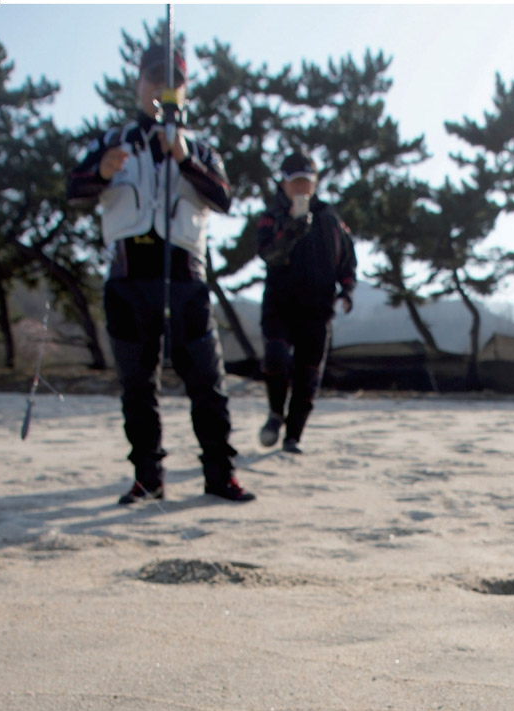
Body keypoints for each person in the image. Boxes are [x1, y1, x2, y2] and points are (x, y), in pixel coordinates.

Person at [67, 43, 255, 504]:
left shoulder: (200, 147)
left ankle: (220, 474)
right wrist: (102, 170)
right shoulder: (112, 141)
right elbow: (74, 189)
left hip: (185, 276)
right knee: (137, 386)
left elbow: (223, 197)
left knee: (207, 382)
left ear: (184, 91)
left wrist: (185, 159)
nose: (161, 88)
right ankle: (147, 477)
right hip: (128, 275)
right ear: (138, 83)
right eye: (154, 78)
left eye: (173, 81)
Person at [255, 151, 356, 453]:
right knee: (275, 357)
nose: (300, 188)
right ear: (283, 184)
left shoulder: (330, 220)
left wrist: (347, 290)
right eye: (294, 182)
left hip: (318, 307)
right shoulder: (271, 217)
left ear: (314, 183)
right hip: (280, 304)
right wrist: (290, 232)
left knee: (308, 375)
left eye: (306, 182)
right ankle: (275, 412)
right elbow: (267, 254)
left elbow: (347, 260)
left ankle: (293, 436)